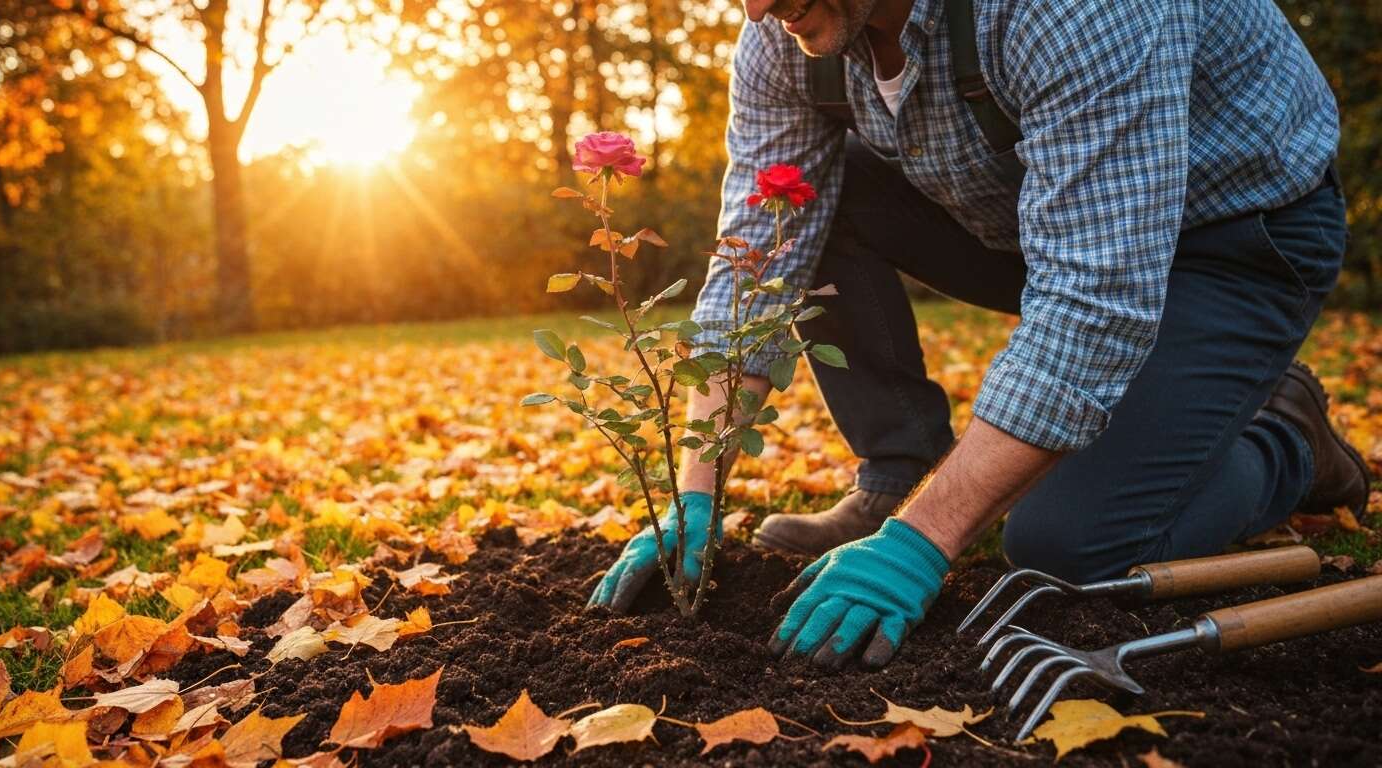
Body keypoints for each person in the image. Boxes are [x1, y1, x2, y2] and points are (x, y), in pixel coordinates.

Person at [588, 0, 1372, 669]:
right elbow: (756, 258)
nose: (757, 10)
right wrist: (693, 490)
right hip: (1032, 221)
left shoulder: (1064, 11)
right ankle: (897, 480)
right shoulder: (789, 33)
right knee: (800, 201)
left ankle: (1287, 440)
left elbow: (1095, 299)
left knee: (1064, 549)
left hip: (1234, 241)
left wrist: (924, 544)